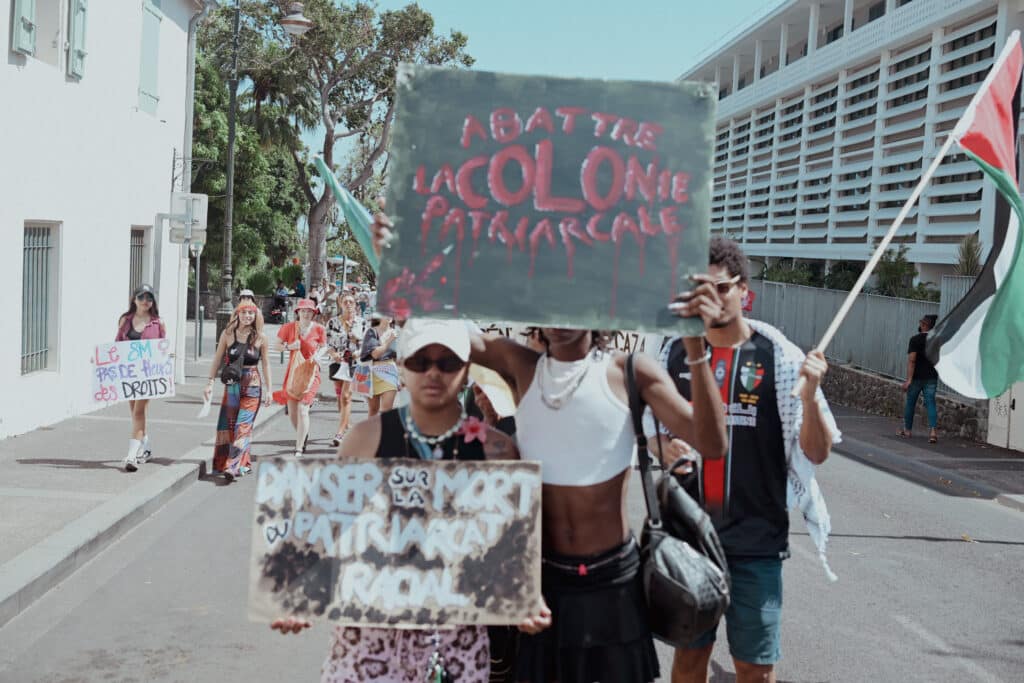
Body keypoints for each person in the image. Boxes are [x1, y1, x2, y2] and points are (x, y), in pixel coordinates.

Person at [371, 199, 728, 683]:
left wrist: (695, 346)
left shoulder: (629, 372)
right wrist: (401, 259)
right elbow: (449, 324)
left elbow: (712, 442)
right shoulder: (522, 367)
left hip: (614, 587)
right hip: (540, 585)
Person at [272, 319, 524, 683]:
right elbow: (319, 526)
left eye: (448, 362)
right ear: (402, 369)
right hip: (370, 638)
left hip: (457, 638)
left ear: (467, 370)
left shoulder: (496, 450)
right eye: (420, 362)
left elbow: (510, 546)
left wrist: (523, 598)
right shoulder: (365, 439)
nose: (433, 373)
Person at [660, 238, 841, 683]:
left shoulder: (779, 355)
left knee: (756, 671)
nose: (712, 299)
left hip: (756, 543)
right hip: (690, 541)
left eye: (721, 288)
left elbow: (816, 452)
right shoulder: (674, 351)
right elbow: (651, 432)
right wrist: (660, 448)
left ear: (744, 290)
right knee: (688, 663)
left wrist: (813, 394)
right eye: (701, 289)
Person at [203, 300, 272, 480]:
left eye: (251, 313)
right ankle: (242, 462)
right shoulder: (228, 334)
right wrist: (209, 382)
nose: (247, 316)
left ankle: (231, 465)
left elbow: (266, 364)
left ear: (256, 315)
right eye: (244, 312)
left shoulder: (261, 338)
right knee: (230, 426)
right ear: (238, 314)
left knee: (243, 426)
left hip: (253, 386)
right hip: (232, 386)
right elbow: (217, 359)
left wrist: (270, 390)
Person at [115, 284, 167, 472]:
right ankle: (145, 448)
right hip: (129, 374)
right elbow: (117, 344)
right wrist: (103, 359)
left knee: (138, 412)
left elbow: (162, 348)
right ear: (134, 299)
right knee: (134, 412)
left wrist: (167, 358)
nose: (145, 301)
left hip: (148, 375)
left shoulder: (158, 322)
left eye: (149, 298)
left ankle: (131, 457)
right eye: (141, 297)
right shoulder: (125, 320)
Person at [273, 298, 326, 457]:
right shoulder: (288, 328)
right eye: (303, 311)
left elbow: (324, 347)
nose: (306, 313)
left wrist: (318, 355)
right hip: (294, 373)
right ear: (298, 312)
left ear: (314, 313)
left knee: (303, 409)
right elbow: (276, 346)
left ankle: (299, 447)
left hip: (311, 373)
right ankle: (303, 434)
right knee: (293, 412)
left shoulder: (319, 329)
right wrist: (289, 346)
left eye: (309, 311)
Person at [325, 293, 364, 445]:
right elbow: (328, 343)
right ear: (340, 304)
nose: (348, 304)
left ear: (355, 304)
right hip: (337, 362)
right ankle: (347, 423)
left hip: (353, 363)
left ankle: (340, 433)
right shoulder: (333, 322)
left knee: (346, 396)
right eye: (345, 301)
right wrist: (334, 354)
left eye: (351, 302)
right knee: (339, 396)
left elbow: (367, 345)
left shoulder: (361, 323)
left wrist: (357, 350)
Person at [899, 314, 939, 443]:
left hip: (916, 377)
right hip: (931, 376)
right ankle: (933, 432)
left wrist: (909, 380)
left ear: (923, 325)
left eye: (921, 322)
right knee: (931, 403)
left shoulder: (915, 340)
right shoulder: (936, 340)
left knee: (911, 403)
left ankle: (907, 430)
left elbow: (912, 360)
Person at [360, 313, 399, 418]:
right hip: (372, 372)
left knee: (387, 410)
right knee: (373, 410)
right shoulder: (372, 332)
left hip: (390, 371)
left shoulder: (397, 333)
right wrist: (389, 341)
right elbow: (375, 354)